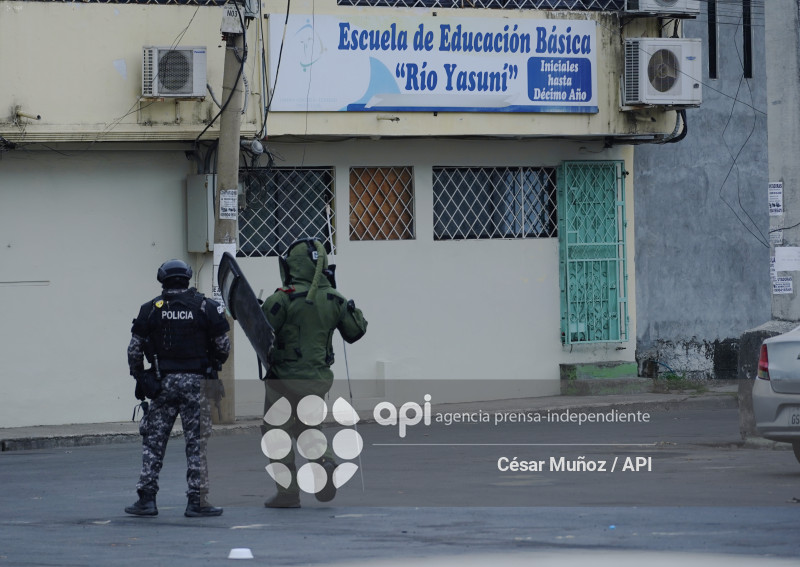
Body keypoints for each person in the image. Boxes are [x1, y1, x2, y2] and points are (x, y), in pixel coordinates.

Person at [261, 238, 367, 508]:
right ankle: (325, 462)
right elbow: (356, 331)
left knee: (276, 433)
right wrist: (337, 296)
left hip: (282, 379)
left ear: (292, 265)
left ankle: (288, 493)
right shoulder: (334, 298)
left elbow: (261, 327)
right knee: (309, 428)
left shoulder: (283, 298)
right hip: (318, 380)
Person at [125, 259, 231, 517]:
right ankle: (197, 501)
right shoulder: (206, 307)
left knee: (154, 442)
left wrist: (141, 376)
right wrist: (211, 366)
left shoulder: (150, 309)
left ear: (162, 279)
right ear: (187, 278)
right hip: (197, 383)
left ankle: (147, 500)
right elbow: (223, 346)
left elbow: (134, 350)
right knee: (197, 443)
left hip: (163, 383)